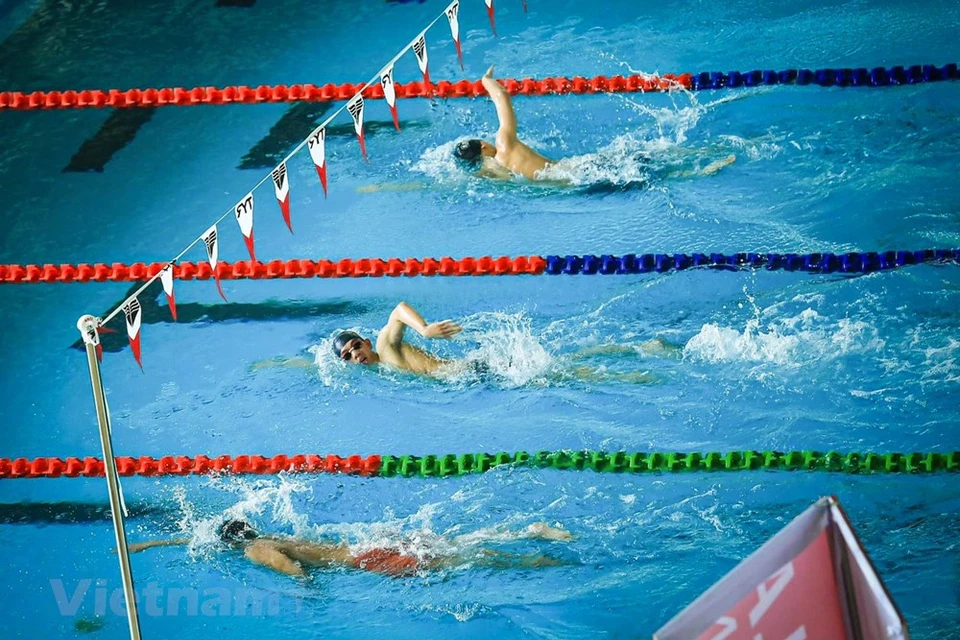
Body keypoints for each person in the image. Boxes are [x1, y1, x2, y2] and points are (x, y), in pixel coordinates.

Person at [128, 519, 575, 578]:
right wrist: (152, 542)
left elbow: (291, 569)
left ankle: (532, 560)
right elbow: (198, 536)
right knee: (459, 543)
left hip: (366, 560)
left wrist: (305, 588)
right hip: (370, 539)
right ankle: (530, 532)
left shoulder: (253, 552)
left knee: (457, 561)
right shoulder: (263, 534)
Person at [453, 65, 554, 181]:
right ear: (483, 146)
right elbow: (502, 95)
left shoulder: (488, 173)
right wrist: (486, 80)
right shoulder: (504, 144)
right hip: (566, 172)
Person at [331, 300, 462, 376]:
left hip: (464, 371)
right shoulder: (380, 371)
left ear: (368, 343)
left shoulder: (384, 347)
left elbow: (399, 310)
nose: (355, 353)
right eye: (347, 356)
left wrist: (424, 329)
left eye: (357, 345)